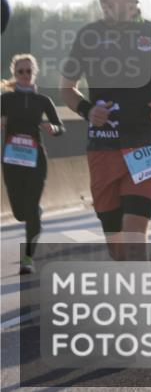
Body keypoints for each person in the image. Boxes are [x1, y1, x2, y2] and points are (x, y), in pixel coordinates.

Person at [60, 0, 151, 261]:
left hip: (146, 145)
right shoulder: (88, 36)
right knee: (117, 250)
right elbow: (67, 88)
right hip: (103, 148)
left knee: (133, 238)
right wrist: (87, 110)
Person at [2, 54, 65, 274]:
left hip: (36, 160)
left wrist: (53, 129)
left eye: (29, 71)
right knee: (20, 213)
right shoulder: (6, 100)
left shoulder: (43, 101)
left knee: (31, 214)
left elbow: (60, 127)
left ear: (34, 73)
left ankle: (28, 257)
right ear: (15, 74)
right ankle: (33, 212)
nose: (25, 75)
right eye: (21, 72)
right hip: (11, 161)